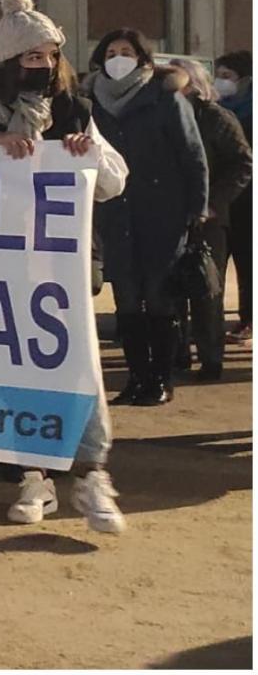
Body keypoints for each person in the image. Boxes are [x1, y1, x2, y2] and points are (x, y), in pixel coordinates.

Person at [0, 0, 131, 533]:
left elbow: (115, 182)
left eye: (52, 55)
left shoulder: (76, 111)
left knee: (79, 366)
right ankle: (33, 475)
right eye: (33, 56)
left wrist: (86, 155)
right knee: (12, 369)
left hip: (59, 268)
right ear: (9, 61)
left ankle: (92, 474)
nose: (45, 66)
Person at [89, 26, 209, 408]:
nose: (118, 59)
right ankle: (136, 378)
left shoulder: (166, 98)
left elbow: (193, 156)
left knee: (159, 300)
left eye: (126, 52)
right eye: (111, 53)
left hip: (162, 215)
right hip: (115, 213)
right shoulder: (93, 102)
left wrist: (197, 209)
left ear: (142, 59)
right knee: (126, 302)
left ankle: (161, 379)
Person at [159, 62, 251, 382]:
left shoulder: (215, 118)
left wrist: (213, 203)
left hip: (207, 220)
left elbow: (243, 163)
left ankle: (211, 360)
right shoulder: (158, 115)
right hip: (166, 216)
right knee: (169, 290)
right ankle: (177, 354)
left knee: (206, 291)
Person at [213, 49, 252, 344]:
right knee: (217, 263)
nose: (220, 82)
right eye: (218, 75)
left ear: (245, 80)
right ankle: (211, 321)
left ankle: (248, 319)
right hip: (223, 198)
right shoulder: (217, 111)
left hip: (249, 198)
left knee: (248, 261)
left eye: (227, 76)